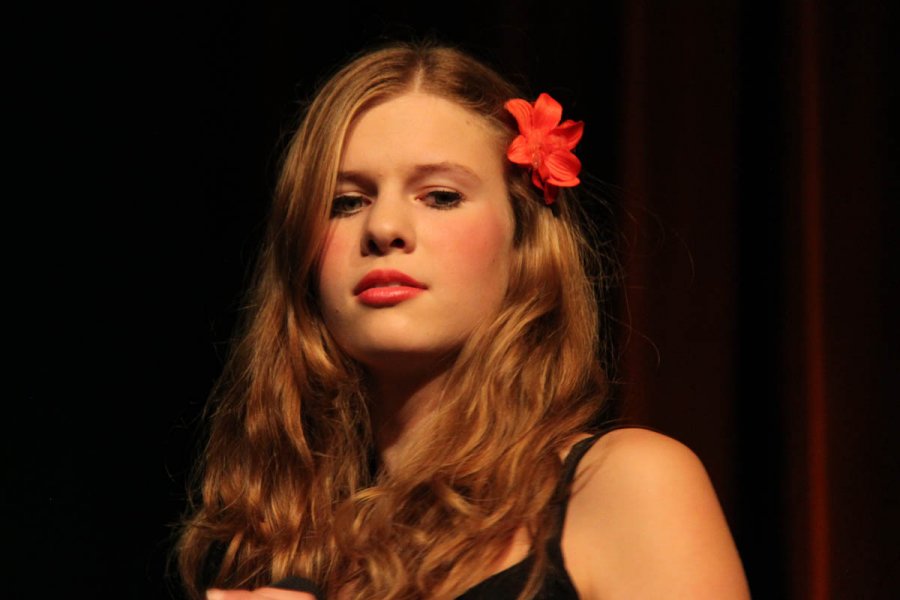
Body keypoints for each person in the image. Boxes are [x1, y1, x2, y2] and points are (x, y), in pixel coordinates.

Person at [177, 42, 750, 599]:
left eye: (441, 196)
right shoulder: (289, 545)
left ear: (523, 241)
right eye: (346, 202)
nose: (384, 228)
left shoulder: (622, 485)